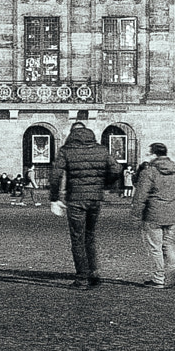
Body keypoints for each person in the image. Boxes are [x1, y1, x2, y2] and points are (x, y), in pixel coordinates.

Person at [47, 122, 123, 289]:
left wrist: (54, 198)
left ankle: (82, 278)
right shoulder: (101, 149)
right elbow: (117, 169)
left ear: (71, 134)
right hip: (95, 198)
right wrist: (103, 184)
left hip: (76, 199)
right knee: (90, 235)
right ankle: (94, 272)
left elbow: (55, 175)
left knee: (78, 238)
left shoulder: (66, 150)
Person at [131, 142, 175, 287]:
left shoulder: (150, 172)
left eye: (149, 153)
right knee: (168, 243)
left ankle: (158, 278)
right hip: (173, 214)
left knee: (155, 247)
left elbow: (141, 195)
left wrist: (136, 214)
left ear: (154, 154)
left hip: (153, 215)